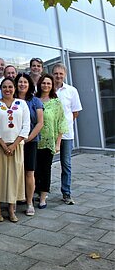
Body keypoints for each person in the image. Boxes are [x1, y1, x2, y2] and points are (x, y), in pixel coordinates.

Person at [0, 78, 30, 223]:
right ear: (1, 89)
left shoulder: (21, 104)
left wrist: (14, 145)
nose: (7, 89)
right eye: (4, 87)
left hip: (16, 147)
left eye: (10, 87)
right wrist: (4, 145)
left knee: (14, 178)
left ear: (14, 88)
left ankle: (11, 209)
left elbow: (26, 125)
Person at [35, 74, 68, 209]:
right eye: (44, 83)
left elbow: (61, 122)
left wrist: (58, 142)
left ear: (52, 86)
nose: (46, 86)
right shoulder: (34, 100)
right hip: (34, 141)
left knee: (45, 170)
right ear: (40, 84)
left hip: (49, 142)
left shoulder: (56, 102)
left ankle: (43, 197)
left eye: (49, 83)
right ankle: (34, 192)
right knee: (34, 170)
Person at [52, 63, 82, 205]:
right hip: (49, 134)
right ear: (52, 74)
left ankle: (66, 193)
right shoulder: (47, 88)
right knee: (43, 163)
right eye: (56, 73)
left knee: (66, 164)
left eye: (61, 74)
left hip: (66, 134)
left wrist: (64, 125)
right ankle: (41, 191)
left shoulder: (72, 91)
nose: (58, 76)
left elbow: (75, 113)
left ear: (65, 75)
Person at [15, 73, 43, 216]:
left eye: (25, 82)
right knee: (14, 172)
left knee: (29, 172)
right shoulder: (11, 100)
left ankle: (29, 202)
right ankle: (13, 201)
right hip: (13, 143)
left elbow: (39, 123)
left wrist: (27, 139)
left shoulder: (35, 101)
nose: (22, 84)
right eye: (20, 82)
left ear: (29, 84)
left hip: (30, 142)